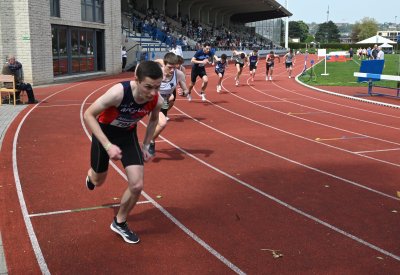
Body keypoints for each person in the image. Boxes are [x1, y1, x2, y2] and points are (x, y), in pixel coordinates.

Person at [83, 61, 163, 244]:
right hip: (104, 135)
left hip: (127, 137)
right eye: (148, 87)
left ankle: (120, 222)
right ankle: (91, 176)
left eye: (157, 87)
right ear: (137, 80)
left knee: (137, 185)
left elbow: (153, 120)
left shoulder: (156, 99)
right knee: (98, 180)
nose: (152, 92)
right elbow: (88, 114)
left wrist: (146, 144)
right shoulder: (118, 93)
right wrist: (107, 145)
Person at [148, 52, 189, 154]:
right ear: (164, 64)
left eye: (174, 68)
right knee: (162, 123)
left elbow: (186, 90)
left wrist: (183, 93)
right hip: (153, 101)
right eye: (170, 67)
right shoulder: (156, 74)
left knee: (158, 123)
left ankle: (151, 140)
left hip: (164, 102)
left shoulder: (179, 74)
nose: (172, 70)